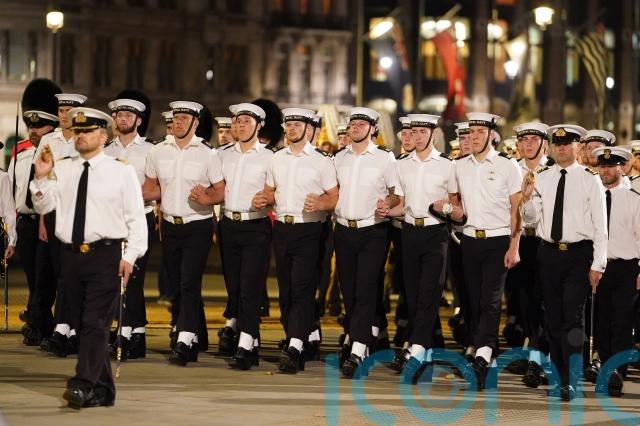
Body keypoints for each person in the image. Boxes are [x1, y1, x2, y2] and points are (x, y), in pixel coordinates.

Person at [30, 107, 147, 409]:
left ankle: (82, 384)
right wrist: (40, 179)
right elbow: (43, 207)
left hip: (105, 255)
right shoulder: (63, 168)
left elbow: (136, 219)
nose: (80, 136)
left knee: (95, 321)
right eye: (78, 131)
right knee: (84, 324)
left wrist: (130, 256)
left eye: (88, 131)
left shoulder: (120, 171)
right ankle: (103, 389)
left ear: (103, 136)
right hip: (70, 256)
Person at [437, 112, 523, 390]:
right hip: (469, 240)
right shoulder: (459, 166)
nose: (473, 137)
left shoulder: (507, 165)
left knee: (491, 300)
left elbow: (517, 208)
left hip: (498, 240)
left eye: (479, 133)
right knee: (473, 300)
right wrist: (448, 209)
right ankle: (484, 351)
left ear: (491, 136)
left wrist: (514, 245)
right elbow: (454, 200)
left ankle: (483, 354)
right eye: (470, 133)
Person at [522, 124, 607, 402]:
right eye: (557, 144)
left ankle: (571, 380)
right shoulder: (542, 177)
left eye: (566, 144)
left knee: (573, 318)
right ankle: (558, 376)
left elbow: (601, 226)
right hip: (548, 254)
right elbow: (531, 219)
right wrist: (527, 199)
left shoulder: (589, 179)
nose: (561, 148)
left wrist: (598, 263)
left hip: (578, 255)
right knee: (553, 318)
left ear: (577, 147)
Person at [143, 101, 225, 366]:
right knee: (176, 283)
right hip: (170, 225)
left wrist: (206, 198)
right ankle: (187, 333)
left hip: (197, 225)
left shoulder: (208, 154)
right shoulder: (157, 152)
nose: (178, 122)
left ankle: (184, 338)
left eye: (184, 119)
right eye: (176, 118)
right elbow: (151, 188)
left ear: (195, 123)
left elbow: (220, 190)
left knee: (189, 281)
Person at [259, 107, 338, 373]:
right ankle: (295, 336)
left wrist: (321, 203)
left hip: (309, 229)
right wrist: (263, 198)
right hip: (283, 228)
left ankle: (294, 345)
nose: (292, 128)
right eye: (289, 124)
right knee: (285, 291)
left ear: (308, 128)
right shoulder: (276, 159)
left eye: (297, 125)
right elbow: (270, 191)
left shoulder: (321, 160)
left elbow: (334, 196)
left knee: (302, 289)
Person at [332, 107, 399, 378]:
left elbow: (396, 194)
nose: (356, 127)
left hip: (373, 230)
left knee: (366, 289)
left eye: (362, 123)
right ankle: (357, 335)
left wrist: (388, 203)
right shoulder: (338, 158)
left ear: (373, 129)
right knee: (348, 290)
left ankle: (358, 348)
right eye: (353, 123)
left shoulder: (385, 158)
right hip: (343, 230)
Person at [386, 113, 453, 384]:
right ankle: (423, 352)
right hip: (410, 231)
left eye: (424, 132)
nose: (418, 136)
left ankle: (416, 351)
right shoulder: (402, 165)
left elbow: (455, 202)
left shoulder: (447, 165)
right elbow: (401, 204)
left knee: (429, 293)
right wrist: (386, 209)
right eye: (414, 132)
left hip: (436, 232)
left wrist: (445, 208)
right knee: (412, 295)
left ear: (433, 134)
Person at [210, 103, 275, 370]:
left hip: (256, 226)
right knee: (234, 286)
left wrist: (268, 197)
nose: (239, 125)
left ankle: (246, 344)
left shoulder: (270, 157)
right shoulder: (222, 155)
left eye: (246, 121)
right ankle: (249, 336)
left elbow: (278, 189)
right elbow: (216, 189)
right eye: (237, 121)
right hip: (228, 225)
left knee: (250, 287)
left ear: (258, 126)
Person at [35, 92, 88, 356]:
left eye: (69, 111)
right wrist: (43, 219)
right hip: (54, 212)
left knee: (73, 273)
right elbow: (41, 180)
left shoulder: (86, 139)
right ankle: (66, 329)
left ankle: (67, 329)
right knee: (60, 273)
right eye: (61, 110)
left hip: (79, 214)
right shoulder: (48, 140)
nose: (64, 115)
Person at [104, 97, 156, 360]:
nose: (123, 119)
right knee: (118, 277)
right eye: (119, 115)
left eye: (128, 115)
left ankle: (126, 332)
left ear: (139, 120)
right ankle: (136, 332)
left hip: (139, 220)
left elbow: (158, 187)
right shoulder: (105, 151)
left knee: (133, 277)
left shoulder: (150, 150)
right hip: (113, 222)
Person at [591, 146, 640, 397]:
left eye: (611, 166)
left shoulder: (633, 198)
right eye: (602, 166)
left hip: (625, 267)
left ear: (622, 168)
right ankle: (605, 368)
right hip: (597, 267)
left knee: (621, 322)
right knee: (601, 321)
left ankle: (618, 372)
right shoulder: (592, 196)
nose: (606, 171)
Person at [9, 109, 59, 345]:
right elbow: (10, 191)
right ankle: (41, 321)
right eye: (31, 127)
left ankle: (38, 323)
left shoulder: (57, 153)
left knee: (46, 276)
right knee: (32, 275)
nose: (33, 131)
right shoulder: (20, 154)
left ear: (51, 129)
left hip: (49, 220)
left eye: (39, 127)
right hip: (26, 222)